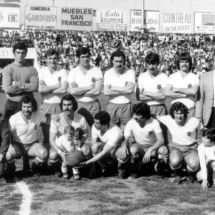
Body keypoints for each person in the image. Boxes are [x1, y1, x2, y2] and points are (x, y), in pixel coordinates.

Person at [115, 102, 168, 179]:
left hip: (152, 146)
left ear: (145, 115)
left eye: (138, 115)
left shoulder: (154, 122)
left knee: (163, 150)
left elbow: (161, 140)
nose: (134, 116)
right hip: (139, 146)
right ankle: (134, 170)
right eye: (134, 114)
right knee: (132, 150)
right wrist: (124, 146)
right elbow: (125, 138)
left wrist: (150, 149)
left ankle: (160, 171)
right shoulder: (131, 122)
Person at [158, 102, 200, 183]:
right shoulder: (169, 119)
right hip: (176, 148)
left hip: (191, 149)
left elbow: (203, 131)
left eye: (181, 113)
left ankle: (190, 174)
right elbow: (156, 116)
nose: (179, 116)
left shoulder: (193, 121)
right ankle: (178, 174)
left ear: (185, 113)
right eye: (176, 113)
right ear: (173, 114)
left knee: (194, 165)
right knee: (174, 162)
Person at [49, 94, 90, 175]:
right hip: (61, 146)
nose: (66, 107)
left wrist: (81, 142)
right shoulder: (56, 119)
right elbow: (51, 139)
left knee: (86, 151)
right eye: (64, 105)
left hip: (74, 145)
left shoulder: (81, 118)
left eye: (69, 105)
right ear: (61, 106)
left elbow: (85, 133)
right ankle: (58, 168)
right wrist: (60, 152)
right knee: (52, 155)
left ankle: (80, 167)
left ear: (74, 105)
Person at [9, 95, 48, 175]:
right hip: (18, 145)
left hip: (32, 145)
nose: (26, 109)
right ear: (21, 106)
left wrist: (55, 117)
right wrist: (9, 146)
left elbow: (47, 120)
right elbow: (7, 135)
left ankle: (33, 166)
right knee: (8, 155)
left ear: (33, 106)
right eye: (24, 106)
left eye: (29, 107)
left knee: (44, 153)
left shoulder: (37, 114)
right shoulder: (14, 118)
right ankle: (10, 168)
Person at [38, 48, 68, 144]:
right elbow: (40, 89)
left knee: (60, 134)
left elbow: (63, 89)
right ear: (46, 59)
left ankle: (58, 156)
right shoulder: (42, 71)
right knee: (46, 135)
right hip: (45, 106)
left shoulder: (62, 71)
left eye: (54, 58)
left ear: (58, 59)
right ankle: (46, 156)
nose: (52, 61)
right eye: (50, 58)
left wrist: (48, 89)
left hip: (59, 105)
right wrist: (56, 86)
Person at [3, 42, 38, 120]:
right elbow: (7, 89)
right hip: (12, 103)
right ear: (14, 53)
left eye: (23, 53)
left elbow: (34, 87)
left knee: (28, 129)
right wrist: (26, 88)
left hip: (28, 103)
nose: (20, 55)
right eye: (18, 52)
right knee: (7, 129)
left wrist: (17, 84)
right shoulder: (8, 69)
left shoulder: (31, 69)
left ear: (26, 53)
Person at [81, 111, 123, 177]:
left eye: (97, 123)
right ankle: (103, 167)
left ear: (105, 124)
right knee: (94, 147)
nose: (94, 124)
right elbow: (94, 144)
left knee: (117, 153)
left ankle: (119, 168)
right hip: (106, 145)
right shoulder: (95, 126)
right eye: (94, 121)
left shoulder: (116, 132)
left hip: (117, 148)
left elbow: (103, 152)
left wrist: (87, 162)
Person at [68, 46, 103, 125]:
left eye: (87, 56)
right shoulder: (73, 72)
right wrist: (89, 87)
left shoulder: (97, 70)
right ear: (78, 58)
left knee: (94, 129)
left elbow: (97, 91)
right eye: (83, 57)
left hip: (93, 104)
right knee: (78, 129)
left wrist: (79, 91)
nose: (85, 59)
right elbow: (72, 91)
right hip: (78, 104)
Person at [104, 50, 135, 130]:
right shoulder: (108, 73)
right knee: (112, 130)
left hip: (126, 105)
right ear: (112, 62)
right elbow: (106, 91)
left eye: (121, 61)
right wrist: (124, 89)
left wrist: (113, 87)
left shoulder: (130, 72)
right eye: (116, 61)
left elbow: (129, 90)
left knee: (126, 130)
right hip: (112, 105)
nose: (119, 64)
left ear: (124, 61)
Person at [165, 52, 199, 117]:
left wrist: (177, 89)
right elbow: (167, 92)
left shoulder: (194, 77)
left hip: (190, 110)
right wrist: (185, 93)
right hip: (175, 111)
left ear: (190, 63)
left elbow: (194, 91)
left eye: (186, 61)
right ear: (178, 63)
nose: (184, 64)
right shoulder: (172, 76)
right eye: (182, 62)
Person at [196, 57, 215, 129]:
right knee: (207, 139)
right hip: (209, 113)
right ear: (213, 62)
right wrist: (198, 116)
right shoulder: (205, 76)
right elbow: (200, 98)